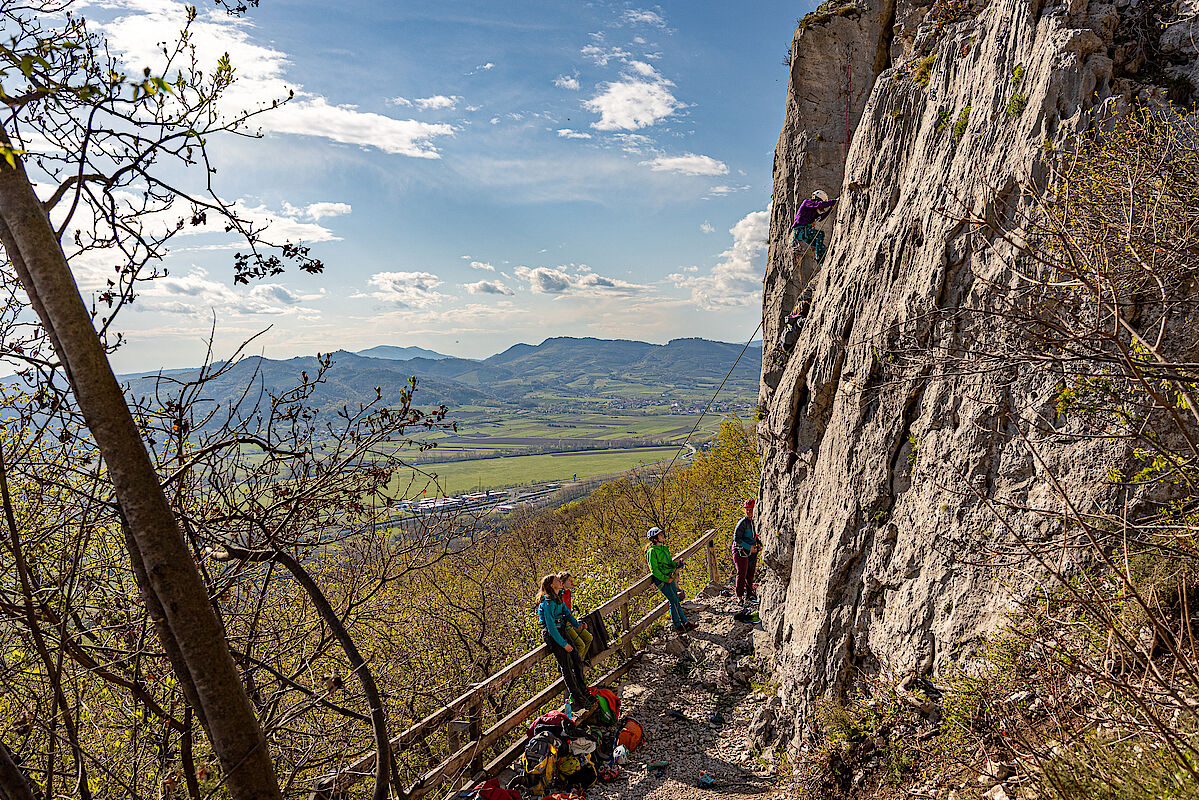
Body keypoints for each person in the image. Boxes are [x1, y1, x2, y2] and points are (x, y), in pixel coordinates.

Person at [536, 574, 591, 707]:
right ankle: (577, 696)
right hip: (552, 635)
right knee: (565, 667)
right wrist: (563, 644)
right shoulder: (547, 603)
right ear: (551, 585)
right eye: (557, 580)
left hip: (561, 630)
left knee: (577, 659)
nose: (560, 582)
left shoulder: (558, 598)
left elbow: (567, 614)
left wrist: (578, 625)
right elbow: (550, 627)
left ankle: (583, 690)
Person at [646, 528, 697, 633]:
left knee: (675, 600)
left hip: (669, 577)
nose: (662, 536)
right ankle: (679, 625)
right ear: (655, 539)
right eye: (660, 535)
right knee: (673, 600)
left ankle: (683, 624)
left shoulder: (664, 548)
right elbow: (654, 570)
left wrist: (677, 564)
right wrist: (665, 579)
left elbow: (669, 563)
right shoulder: (652, 551)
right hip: (661, 580)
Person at [789, 189, 838, 262]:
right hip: (801, 231)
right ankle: (818, 256)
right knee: (820, 234)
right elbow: (819, 204)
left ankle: (821, 262)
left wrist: (830, 210)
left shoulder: (813, 211)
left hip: (803, 234)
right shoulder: (807, 202)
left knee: (822, 248)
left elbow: (820, 218)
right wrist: (834, 201)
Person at [558, 571, 593, 661]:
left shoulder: (568, 593)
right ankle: (577, 667)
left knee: (589, 638)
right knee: (581, 645)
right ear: (563, 582)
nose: (572, 582)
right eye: (569, 580)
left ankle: (581, 661)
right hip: (565, 624)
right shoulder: (559, 595)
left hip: (571, 621)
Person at [733, 499, 762, 605]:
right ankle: (739, 597)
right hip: (740, 550)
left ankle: (749, 594)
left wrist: (758, 544)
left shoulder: (755, 522)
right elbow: (737, 539)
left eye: (750, 509)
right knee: (742, 573)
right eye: (747, 510)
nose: (748, 511)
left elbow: (756, 535)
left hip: (751, 550)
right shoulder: (743, 523)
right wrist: (749, 547)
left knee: (750, 573)